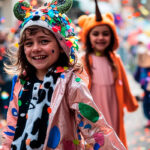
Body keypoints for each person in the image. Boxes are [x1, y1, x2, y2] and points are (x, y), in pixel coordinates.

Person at [1, 1, 126, 150]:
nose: (35, 48)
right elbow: (12, 126)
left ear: (61, 46)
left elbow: (95, 129)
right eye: (29, 43)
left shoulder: (72, 84)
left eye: (44, 41)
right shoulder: (22, 82)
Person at [78, 0, 138, 148]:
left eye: (105, 34)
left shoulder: (115, 59)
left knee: (114, 136)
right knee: (97, 140)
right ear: (88, 36)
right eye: (96, 34)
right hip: (94, 110)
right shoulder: (83, 60)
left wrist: (130, 103)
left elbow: (124, 83)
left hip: (113, 106)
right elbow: (78, 90)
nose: (101, 37)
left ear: (112, 37)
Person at [134, 35, 150, 128]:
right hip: (146, 87)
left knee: (147, 103)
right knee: (147, 103)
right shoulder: (142, 60)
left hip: (146, 86)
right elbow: (137, 74)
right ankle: (149, 118)